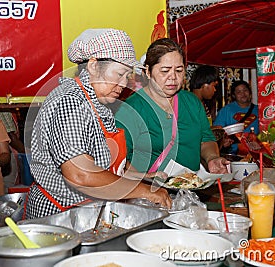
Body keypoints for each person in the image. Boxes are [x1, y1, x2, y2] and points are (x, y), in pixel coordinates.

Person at [26, 28, 172, 218]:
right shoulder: (69, 102)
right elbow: (81, 174)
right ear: (93, 66)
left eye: (127, 76)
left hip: (89, 210)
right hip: (60, 214)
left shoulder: (99, 104)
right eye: (119, 74)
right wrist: (145, 192)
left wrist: (139, 177)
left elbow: (108, 159)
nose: (122, 84)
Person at [115, 38, 229, 174]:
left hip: (190, 189)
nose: (173, 77)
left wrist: (212, 158)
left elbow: (205, 140)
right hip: (149, 191)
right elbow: (119, 160)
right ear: (148, 72)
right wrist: (144, 179)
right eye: (165, 71)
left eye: (179, 70)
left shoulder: (192, 102)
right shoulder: (130, 109)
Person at [213, 80, 259, 154]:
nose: (243, 94)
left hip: (255, 152)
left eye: (245, 90)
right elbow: (216, 132)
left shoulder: (259, 110)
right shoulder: (226, 110)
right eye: (239, 92)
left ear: (250, 92)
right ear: (234, 95)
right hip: (232, 154)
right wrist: (223, 141)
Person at [0, 111, 25, 191]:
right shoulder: (2, 111)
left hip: (8, 152)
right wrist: (27, 152)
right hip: (7, 151)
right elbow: (10, 135)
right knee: (8, 188)